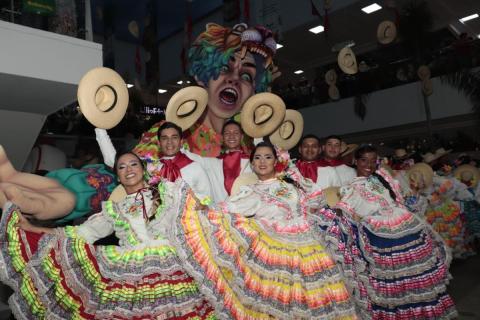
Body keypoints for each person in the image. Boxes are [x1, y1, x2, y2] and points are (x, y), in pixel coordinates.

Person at [0, 151, 215, 319]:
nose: (128, 169)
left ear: (143, 169)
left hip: (174, 268)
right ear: (118, 176)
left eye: (133, 164)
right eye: (122, 167)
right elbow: (79, 233)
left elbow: (199, 214)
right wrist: (33, 228)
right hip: (131, 275)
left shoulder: (168, 192)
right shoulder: (114, 210)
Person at [167, 142, 357, 319]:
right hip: (274, 251)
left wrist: (297, 178)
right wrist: (201, 207)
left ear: (276, 160)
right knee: (278, 300)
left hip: (308, 245)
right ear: (252, 163)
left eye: (267, 157)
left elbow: (318, 200)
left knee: (314, 298)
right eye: (257, 158)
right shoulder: (249, 191)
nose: (262, 161)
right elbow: (225, 208)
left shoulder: (292, 183)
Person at [330, 145, 456, 319]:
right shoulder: (349, 188)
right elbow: (343, 208)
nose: (369, 164)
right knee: (394, 282)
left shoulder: (381, 179)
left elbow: (396, 200)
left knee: (414, 277)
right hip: (381, 239)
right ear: (355, 161)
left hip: (405, 229)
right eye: (364, 160)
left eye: (373, 161)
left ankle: (420, 313)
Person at [134, 22, 279, 158]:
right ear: (201, 76)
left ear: (253, 91)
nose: (234, 79)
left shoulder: (248, 143)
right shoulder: (168, 135)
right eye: (224, 68)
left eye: (246, 76)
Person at [97, 121, 212, 202]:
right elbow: (115, 161)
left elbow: (208, 201)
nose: (169, 142)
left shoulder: (195, 167)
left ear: (181, 141)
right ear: (159, 143)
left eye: (174, 137)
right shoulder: (152, 167)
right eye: (164, 138)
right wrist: (100, 128)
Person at [0, 145, 76, 220]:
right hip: (59, 187)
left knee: (57, 204)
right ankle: (26, 203)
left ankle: (27, 204)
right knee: (11, 177)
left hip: (63, 202)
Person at [184, 119, 251, 202]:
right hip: (219, 213)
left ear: (242, 137)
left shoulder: (252, 163)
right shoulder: (215, 162)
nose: (231, 136)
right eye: (227, 133)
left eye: (236, 133)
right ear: (222, 137)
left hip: (246, 211)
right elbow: (193, 158)